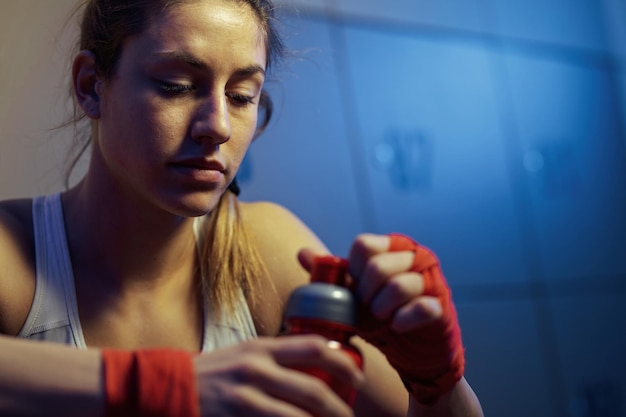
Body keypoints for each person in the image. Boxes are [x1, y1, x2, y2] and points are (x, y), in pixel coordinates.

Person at [0, 0, 484, 416]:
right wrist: (164, 387)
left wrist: (436, 379)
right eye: (176, 84)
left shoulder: (263, 250)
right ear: (90, 86)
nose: (218, 126)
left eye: (241, 96)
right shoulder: (15, 256)